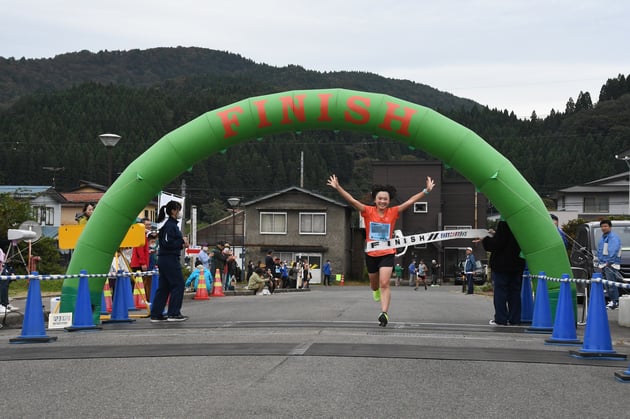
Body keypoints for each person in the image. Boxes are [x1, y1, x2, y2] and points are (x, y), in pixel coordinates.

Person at [327, 173, 435, 327]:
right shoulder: (367, 211)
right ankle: (375, 290)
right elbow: (352, 200)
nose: (383, 201)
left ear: (389, 201)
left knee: (385, 283)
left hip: (387, 253)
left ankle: (384, 313)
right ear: (375, 199)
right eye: (380, 198)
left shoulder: (394, 212)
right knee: (374, 284)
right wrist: (338, 187)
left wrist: (426, 191)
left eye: (385, 199)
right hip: (371, 253)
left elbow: (410, 201)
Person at [150, 200, 189, 322]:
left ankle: (156, 314)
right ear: (173, 211)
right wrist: (182, 241)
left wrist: (181, 244)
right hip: (169, 259)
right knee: (178, 284)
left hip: (165, 259)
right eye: (179, 210)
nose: (180, 213)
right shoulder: (170, 226)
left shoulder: (169, 226)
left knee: (164, 286)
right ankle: (173, 313)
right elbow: (167, 243)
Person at [482, 220, 525, 326]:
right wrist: (495, 234)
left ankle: (501, 319)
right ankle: (515, 319)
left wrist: (485, 239)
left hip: (501, 265)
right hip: (517, 264)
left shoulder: (504, 223)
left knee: (500, 292)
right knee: (515, 293)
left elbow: (496, 244)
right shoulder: (521, 223)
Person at [597, 219, 622, 310]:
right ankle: (612, 301)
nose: (603, 228)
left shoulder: (613, 237)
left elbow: (613, 250)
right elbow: (601, 251)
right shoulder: (604, 237)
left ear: (610, 227)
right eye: (602, 226)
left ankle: (615, 301)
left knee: (611, 284)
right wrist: (600, 264)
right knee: (607, 284)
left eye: (605, 226)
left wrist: (609, 262)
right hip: (604, 264)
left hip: (610, 264)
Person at [130, 217, 153, 297]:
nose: (149, 226)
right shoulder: (141, 235)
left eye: (150, 224)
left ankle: (138, 299)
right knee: (138, 283)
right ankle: (137, 299)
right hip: (138, 264)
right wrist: (143, 263)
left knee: (139, 283)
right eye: (147, 225)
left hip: (139, 263)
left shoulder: (144, 235)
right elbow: (139, 250)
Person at [0, 248, 19, 313]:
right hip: (1, 269)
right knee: (4, 282)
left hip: (3, 268)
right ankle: (3, 304)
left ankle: (5, 303)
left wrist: (12, 273)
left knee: (6, 281)